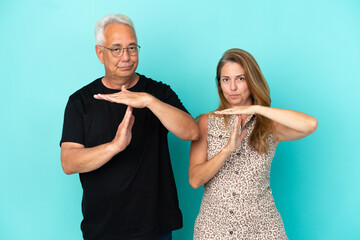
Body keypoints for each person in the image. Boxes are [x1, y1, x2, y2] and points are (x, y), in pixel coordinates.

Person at [60, 14, 199, 240]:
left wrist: (148, 101)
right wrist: (115, 146)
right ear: (100, 53)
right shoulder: (80, 102)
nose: (126, 56)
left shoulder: (158, 92)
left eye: (132, 48)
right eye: (116, 49)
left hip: (155, 227)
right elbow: (68, 161)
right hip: (103, 229)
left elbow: (191, 131)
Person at [189, 48, 318, 239]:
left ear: (252, 81)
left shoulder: (270, 125)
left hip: (263, 228)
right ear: (220, 84)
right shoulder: (206, 122)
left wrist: (257, 108)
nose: (232, 87)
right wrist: (226, 151)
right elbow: (195, 180)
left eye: (240, 79)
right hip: (214, 229)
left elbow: (310, 124)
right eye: (226, 80)